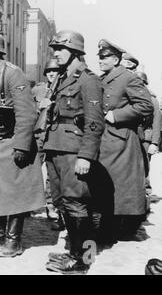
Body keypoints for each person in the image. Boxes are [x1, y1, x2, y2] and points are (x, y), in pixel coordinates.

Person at [0, 31, 45, 258]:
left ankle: (13, 240)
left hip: (11, 140)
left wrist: (22, 147)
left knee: (14, 191)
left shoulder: (13, 74)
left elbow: (27, 114)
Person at [42, 31, 105, 274]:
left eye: (60, 49)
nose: (55, 53)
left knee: (78, 205)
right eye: (54, 49)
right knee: (63, 202)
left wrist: (85, 156)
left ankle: (84, 260)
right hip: (56, 147)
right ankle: (73, 252)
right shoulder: (63, 77)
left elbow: (94, 122)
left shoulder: (87, 79)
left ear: (75, 52)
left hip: (74, 150)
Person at [97, 40, 154, 241]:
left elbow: (146, 106)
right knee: (105, 185)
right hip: (105, 140)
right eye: (99, 57)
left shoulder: (128, 78)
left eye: (104, 57)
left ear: (115, 59)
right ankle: (108, 226)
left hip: (121, 141)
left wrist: (117, 115)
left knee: (120, 187)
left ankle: (116, 229)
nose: (100, 60)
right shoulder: (103, 78)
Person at [33, 59, 65, 229]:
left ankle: (52, 205)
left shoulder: (64, 89)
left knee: (53, 175)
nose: (51, 74)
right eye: (49, 71)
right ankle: (29, 203)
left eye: (55, 71)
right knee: (32, 170)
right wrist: (39, 105)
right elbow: (28, 109)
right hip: (39, 135)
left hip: (54, 136)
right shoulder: (38, 89)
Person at [135, 71, 160, 209]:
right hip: (134, 136)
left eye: (141, 82)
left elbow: (156, 122)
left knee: (144, 168)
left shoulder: (152, 99)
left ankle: (145, 199)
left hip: (146, 138)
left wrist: (154, 143)